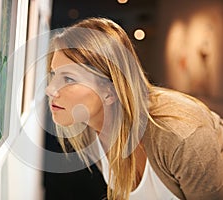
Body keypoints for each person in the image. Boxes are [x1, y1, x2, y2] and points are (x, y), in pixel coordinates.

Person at [45, 17, 223, 200]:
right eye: (54, 74)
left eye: (69, 79)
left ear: (110, 91)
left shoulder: (180, 137)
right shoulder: (88, 129)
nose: (50, 89)